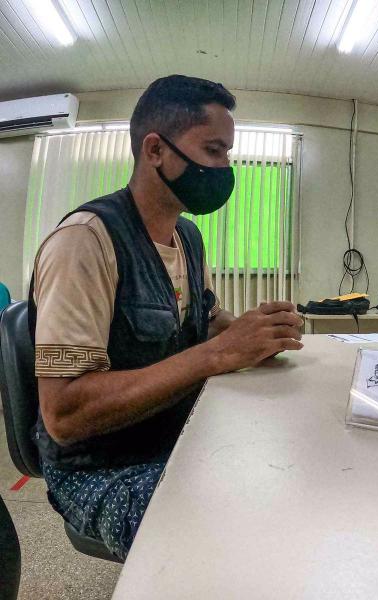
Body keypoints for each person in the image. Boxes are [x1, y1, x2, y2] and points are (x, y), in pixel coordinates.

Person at [29, 75, 304, 560]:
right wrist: (216, 354)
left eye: (227, 153)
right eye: (213, 150)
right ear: (155, 149)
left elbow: (209, 321)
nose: (225, 168)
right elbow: (64, 416)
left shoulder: (188, 239)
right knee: (235, 535)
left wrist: (256, 332)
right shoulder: (85, 242)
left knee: (286, 472)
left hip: (174, 430)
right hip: (101, 467)